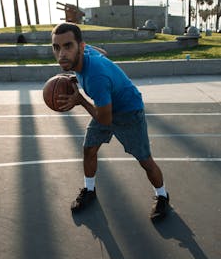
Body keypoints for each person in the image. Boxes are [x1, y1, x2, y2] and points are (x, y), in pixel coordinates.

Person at [51, 23, 170, 221]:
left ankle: (163, 196)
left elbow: (105, 120)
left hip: (128, 112)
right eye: (56, 47)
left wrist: (80, 100)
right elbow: (102, 51)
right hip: (105, 104)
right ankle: (89, 191)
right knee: (89, 149)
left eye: (68, 46)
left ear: (80, 46)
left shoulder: (96, 77)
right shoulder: (85, 52)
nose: (61, 53)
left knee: (145, 161)